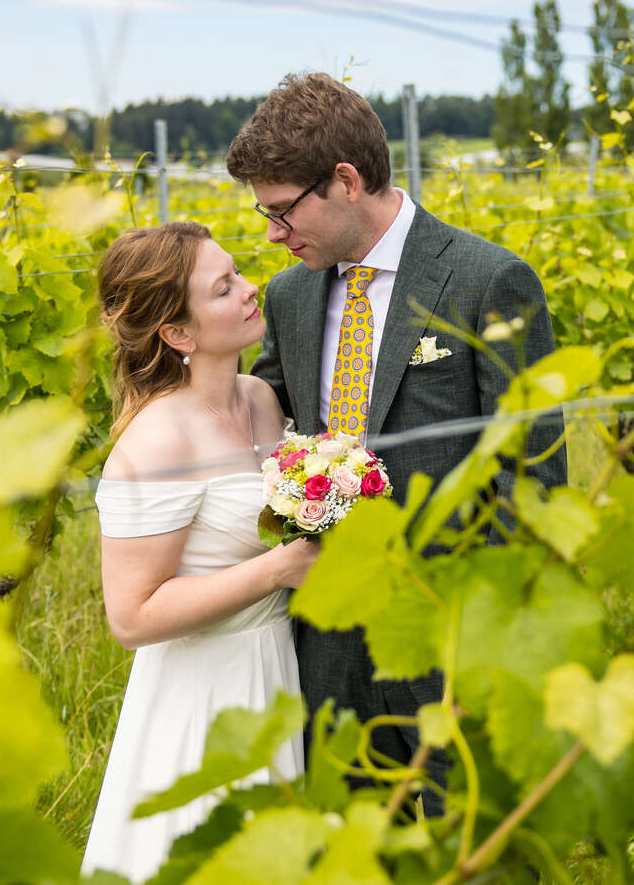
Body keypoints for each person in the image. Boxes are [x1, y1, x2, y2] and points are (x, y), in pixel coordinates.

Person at [226, 72, 567, 811]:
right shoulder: (289, 296)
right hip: (326, 631)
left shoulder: (489, 281)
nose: (273, 235)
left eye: (282, 212)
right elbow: (266, 426)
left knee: (468, 833)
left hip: (447, 627)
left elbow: (531, 477)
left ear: (345, 181)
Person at [81, 221, 318, 882]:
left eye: (239, 272)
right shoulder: (157, 441)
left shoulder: (261, 399)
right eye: (224, 288)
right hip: (205, 688)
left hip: (279, 665)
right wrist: (280, 567)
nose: (251, 290)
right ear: (178, 334)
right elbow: (131, 617)